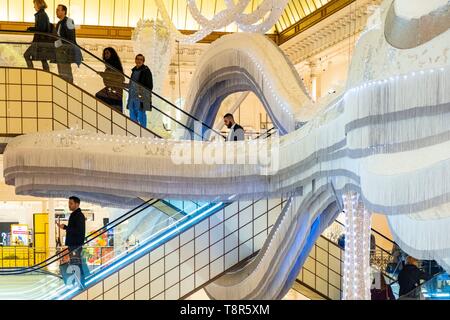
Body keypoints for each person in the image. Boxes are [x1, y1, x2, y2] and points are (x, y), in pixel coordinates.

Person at [56, 196, 86, 286]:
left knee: (76, 263)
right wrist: (65, 227)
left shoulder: (79, 215)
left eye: (71, 203)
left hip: (75, 244)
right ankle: (79, 282)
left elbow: (78, 230)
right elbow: (75, 229)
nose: (69, 205)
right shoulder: (75, 215)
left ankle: (81, 283)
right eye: (69, 203)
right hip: (74, 244)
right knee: (75, 263)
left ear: (77, 204)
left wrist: (65, 227)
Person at [53, 4, 82, 83]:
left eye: (58, 10)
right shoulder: (59, 23)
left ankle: (69, 88)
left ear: (64, 11)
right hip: (59, 51)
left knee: (66, 73)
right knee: (61, 73)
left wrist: (64, 48)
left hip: (65, 51)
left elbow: (70, 38)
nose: (56, 12)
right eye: (56, 10)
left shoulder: (69, 21)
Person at [24, 0, 54, 71]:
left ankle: (31, 71)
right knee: (43, 59)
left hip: (40, 42)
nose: (34, 6)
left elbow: (41, 29)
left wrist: (31, 28)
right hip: (42, 41)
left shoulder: (41, 15)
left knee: (27, 55)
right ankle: (46, 74)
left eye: (35, 4)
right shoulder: (42, 14)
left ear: (38, 5)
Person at [95, 47, 125, 113]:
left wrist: (102, 74)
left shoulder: (114, 65)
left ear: (112, 54)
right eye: (105, 53)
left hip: (115, 90)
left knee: (99, 96)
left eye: (107, 53)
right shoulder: (109, 65)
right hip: (112, 89)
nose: (106, 55)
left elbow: (118, 77)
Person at [127, 54, 153, 128]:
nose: (139, 61)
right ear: (135, 60)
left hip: (141, 96)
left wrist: (143, 92)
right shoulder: (134, 70)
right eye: (137, 59)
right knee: (132, 112)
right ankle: (135, 129)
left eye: (141, 59)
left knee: (141, 113)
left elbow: (149, 85)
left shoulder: (146, 71)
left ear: (143, 61)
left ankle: (143, 129)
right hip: (132, 95)